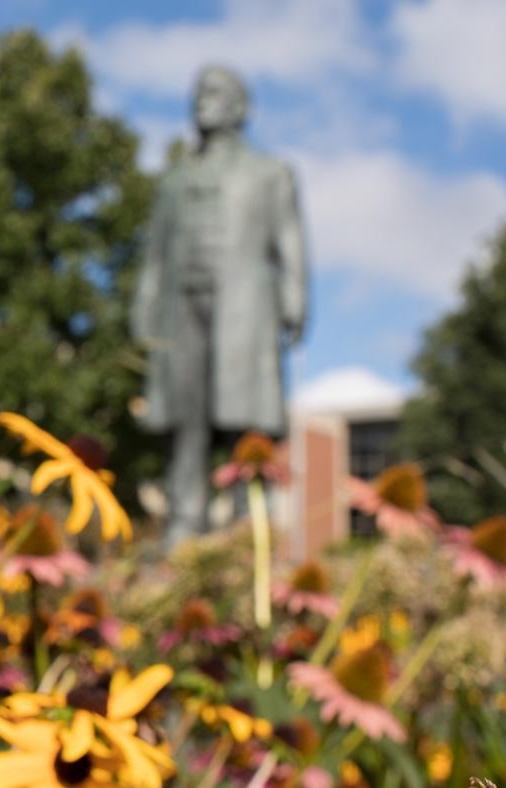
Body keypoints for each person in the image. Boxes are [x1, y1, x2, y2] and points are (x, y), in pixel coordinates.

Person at [131, 65, 307, 546]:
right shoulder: (174, 179)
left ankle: (251, 530)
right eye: (198, 92)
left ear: (239, 107)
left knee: (245, 420)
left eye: (214, 92)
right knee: (185, 420)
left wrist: (295, 300)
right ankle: (183, 525)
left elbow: (288, 239)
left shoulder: (270, 173)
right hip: (181, 306)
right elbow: (155, 252)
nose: (201, 100)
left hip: (244, 308)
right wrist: (144, 308)